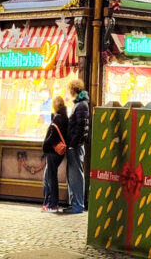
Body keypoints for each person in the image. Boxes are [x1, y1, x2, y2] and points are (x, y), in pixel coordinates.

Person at [65, 78, 90, 213]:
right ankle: (74, 203)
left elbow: (80, 127)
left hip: (75, 146)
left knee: (76, 176)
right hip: (74, 145)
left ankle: (78, 205)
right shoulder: (80, 104)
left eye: (70, 90)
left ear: (73, 90)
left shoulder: (81, 105)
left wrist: (72, 144)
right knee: (73, 175)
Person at [41, 95, 69, 213]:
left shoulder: (58, 118)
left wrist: (45, 145)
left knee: (51, 177)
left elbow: (53, 136)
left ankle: (52, 204)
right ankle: (49, 203)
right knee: (48, 177)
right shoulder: (64, 117)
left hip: (53, 151)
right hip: (58, 152)